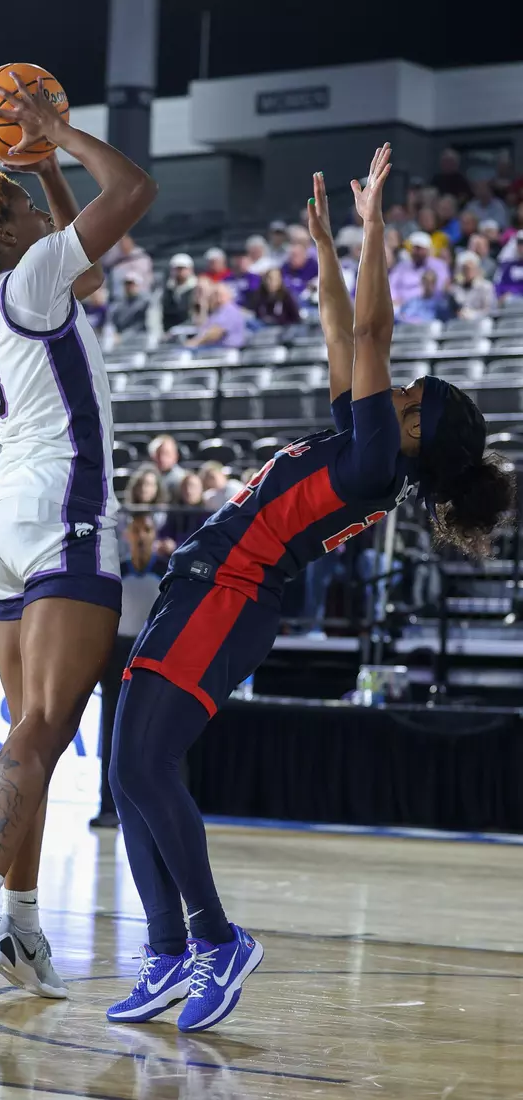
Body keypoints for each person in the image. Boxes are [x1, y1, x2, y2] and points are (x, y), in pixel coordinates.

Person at [105, 148, 515, 1034]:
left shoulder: (374, 461)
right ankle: (167, 953)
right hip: (207, 586)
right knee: (127, 770)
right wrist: (326, 245)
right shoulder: (361, 446)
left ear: (414, 427)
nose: (397, 383)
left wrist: (374, 229)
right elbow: (343, 335)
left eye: (411, 392)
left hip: (232, 593)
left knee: (144, 766)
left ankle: (215, 941)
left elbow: (370, 336)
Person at [0, 71, 156, 1027]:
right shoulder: (32, 277)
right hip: (62, 509)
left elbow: (83, 262)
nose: (28, 203)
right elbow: (131, 191)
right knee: (46, 727)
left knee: (31, 736)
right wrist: (62, 132)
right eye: (18, 201)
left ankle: (16, 920)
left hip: (3, 521)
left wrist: (43, 170)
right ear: (7, 234)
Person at [91, 513, 166, 830]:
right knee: (112, 732)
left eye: (146, 530)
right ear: (126, 536)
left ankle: (155, 809)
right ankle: (109, 805)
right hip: (118, 653)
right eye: (135, 530)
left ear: (154, 535)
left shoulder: (165, 574)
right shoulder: (116, 574)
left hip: (152, 652)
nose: (140, 536)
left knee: (155, 734)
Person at [388, 231, 450, 308]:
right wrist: (395, 299)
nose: (416, 252)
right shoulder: (402, 266)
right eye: (414, 248)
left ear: (427, 249)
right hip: (401, 306)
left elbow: (440, 288)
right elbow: (391, 285)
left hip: (428, 305)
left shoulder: (438, 266)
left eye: (419, 249)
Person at [187, 283, 246, 350]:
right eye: (213, 295)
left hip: (225, 352)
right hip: (214, 351)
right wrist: (204, 307)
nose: (216, 298)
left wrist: (195, 343)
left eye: (219, 294)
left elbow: (215, 333)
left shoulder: (229, 310)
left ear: (229, 295)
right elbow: (202, 326)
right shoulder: (218, 311)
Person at [450, 252, 496, 319]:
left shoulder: (486, 286)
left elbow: (490, 311)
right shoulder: (455, 288)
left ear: (477, 269)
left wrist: (473, 314)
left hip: (480, 321)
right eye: (465, 269)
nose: (468, 271)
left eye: (470, 268)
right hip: (461, 321)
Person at [161, 254, 197, 332]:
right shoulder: (165, 290)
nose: (180, 272)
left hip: (191, 331)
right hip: (168, 333)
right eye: (177, 269)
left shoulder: (197, 289)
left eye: (183, 268)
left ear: (190, 269)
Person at [147, 435, 185, 499]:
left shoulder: (183, 479)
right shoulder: (144, 477)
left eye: (167, 453)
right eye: (158, 454)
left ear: (176, 455)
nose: (162, 458)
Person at [494, 232, 523, 300]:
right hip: (510, 302)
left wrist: (514, 291)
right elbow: (499, 284)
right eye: (520, 243)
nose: (522, 247)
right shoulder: (508, 266)